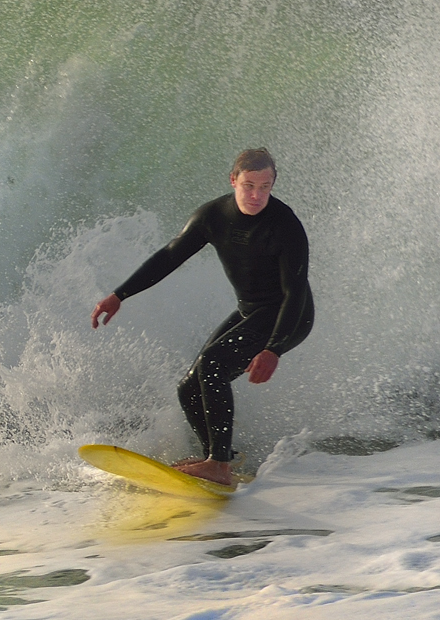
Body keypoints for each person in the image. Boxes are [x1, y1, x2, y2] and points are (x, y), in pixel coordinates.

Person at [90, 148, 313, 485]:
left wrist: (274, 349)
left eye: (265, 187)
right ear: (233, 180)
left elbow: (295, 293)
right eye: (248, 185)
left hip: (289, 316)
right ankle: (219, 458)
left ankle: (218, 466)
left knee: (212, 366)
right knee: (189, 387)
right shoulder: (213, 217)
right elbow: (169, 256)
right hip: (251, 312)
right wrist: (120, 294)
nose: (256, 195)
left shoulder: (285, 225)